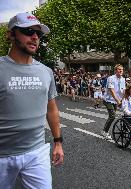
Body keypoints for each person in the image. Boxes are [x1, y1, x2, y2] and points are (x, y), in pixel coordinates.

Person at [0, 13, 64, 188]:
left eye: (39, 34)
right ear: (11, 35)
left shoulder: (46, 71)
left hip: (36, 152)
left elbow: (52, 109)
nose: (35, 37)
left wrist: (58, 142)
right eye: (28, 31)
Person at [102, 64, 126, 140]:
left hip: (116, 100)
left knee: (113, 116)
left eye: (122, 69)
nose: (121, 71)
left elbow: (123, 91)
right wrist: (118, 101)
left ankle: (105, 130)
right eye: (119, 69)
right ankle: (105, 132)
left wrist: (126, 98)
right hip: (108, 100)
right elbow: (112, 91)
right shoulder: (111, 78)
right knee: (112, 116)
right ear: (115, 70)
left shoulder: (123, 79)